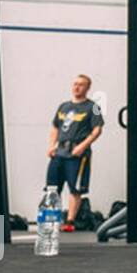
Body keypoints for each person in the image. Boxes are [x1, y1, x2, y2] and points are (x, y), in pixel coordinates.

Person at [46, 74, 104, 233]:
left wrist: (83, 146)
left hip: (77, 153)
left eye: (81, 85)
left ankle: (70, 220)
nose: (77, 87)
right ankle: (51, 220)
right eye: (75, 84)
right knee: (52, 186)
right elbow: (55, 127)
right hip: (60, 151)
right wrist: (52, 146)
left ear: (87, 88)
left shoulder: (92, 107)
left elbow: (97, 130)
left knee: (75, 188)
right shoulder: (64, 106)